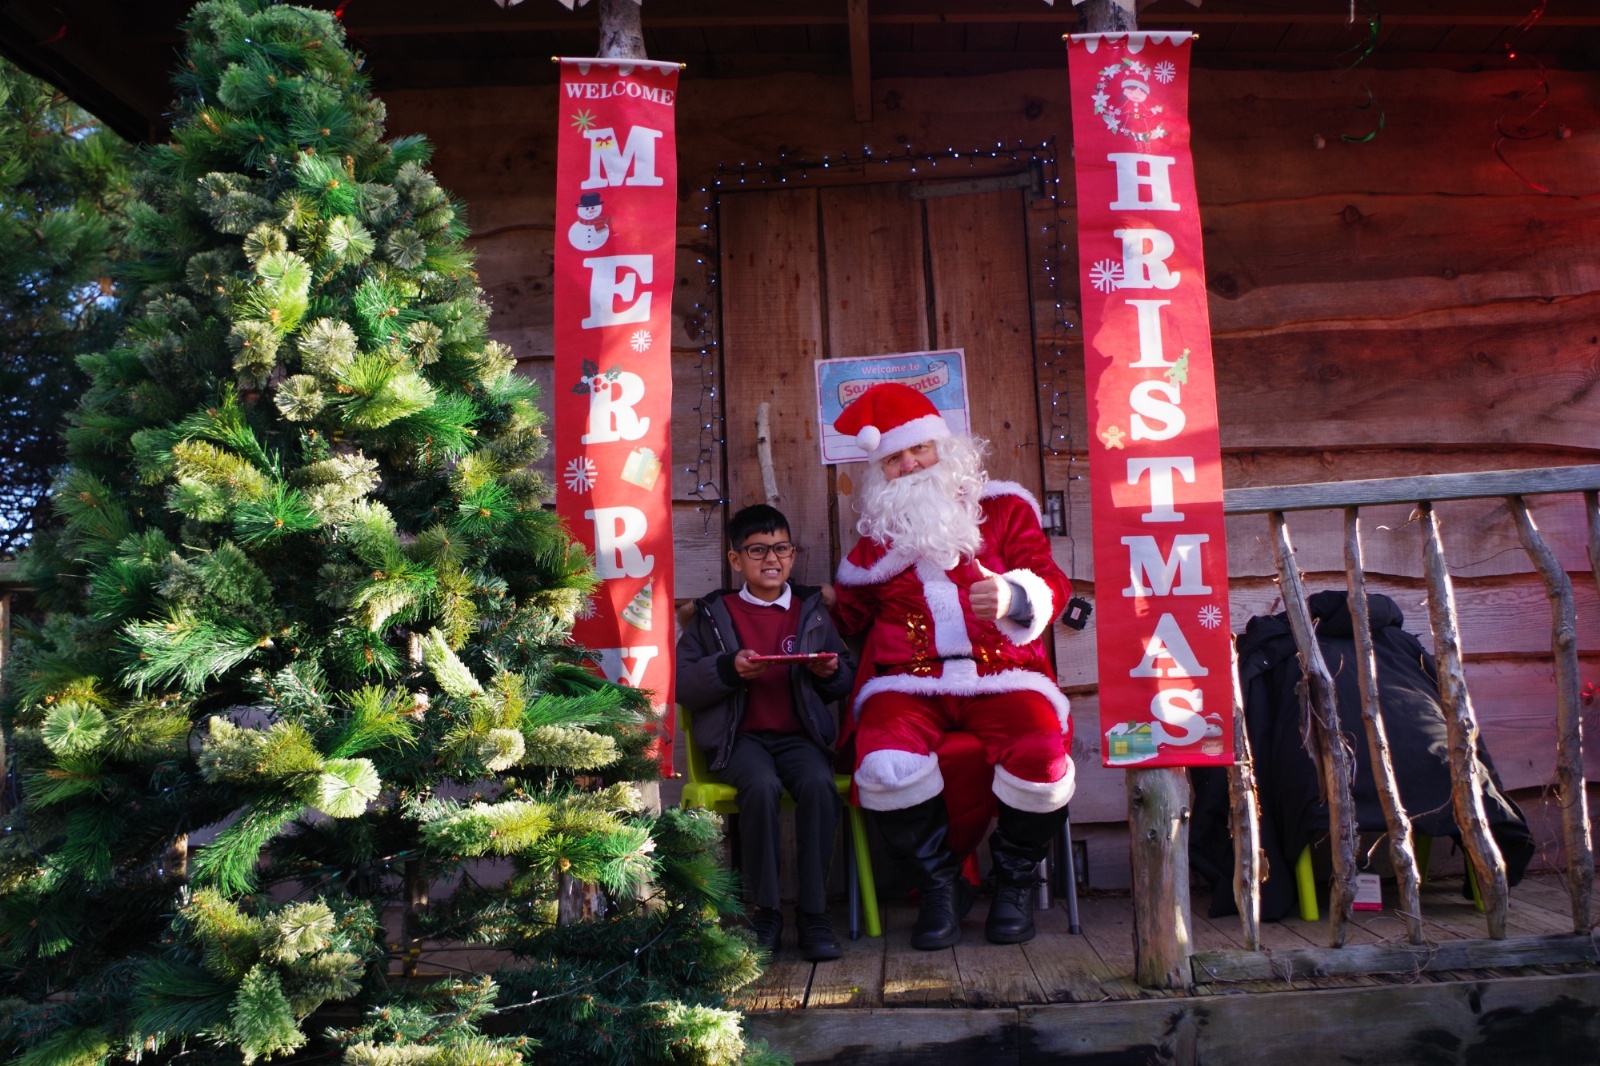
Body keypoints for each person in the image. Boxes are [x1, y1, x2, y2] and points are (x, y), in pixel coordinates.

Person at [830, 382, 1075, 949]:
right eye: (894, 458)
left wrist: (1015, 596)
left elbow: (1051, 581)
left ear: (944, 447)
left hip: (1003, 676)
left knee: (1042, 753)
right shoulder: (877, 537)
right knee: (884, 763)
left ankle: (1014, 883)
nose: (910, 465)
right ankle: (941, 886)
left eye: (919, 449)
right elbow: (850, 613)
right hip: (909, 684)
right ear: (879, 472)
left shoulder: (1005, 509)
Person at [676, 504, 858, 961]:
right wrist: (728, 669)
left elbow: (843, 679)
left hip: (800, 738)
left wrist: (830, 671)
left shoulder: (810, 611)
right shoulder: (712, 616)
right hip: (740, 741)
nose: (771, 559)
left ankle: (814, 913)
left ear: (792, 556)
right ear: (736, 560)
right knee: (760, 787)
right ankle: (767, 911)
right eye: (757, 550)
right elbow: (684, 684)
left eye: (781, 549)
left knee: (819, 785)